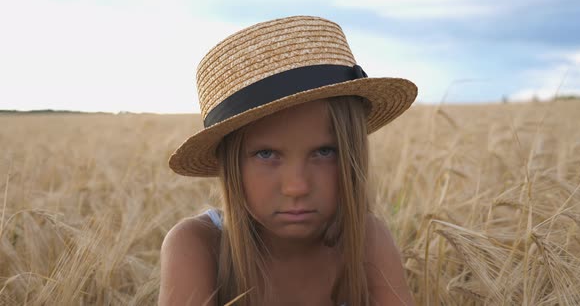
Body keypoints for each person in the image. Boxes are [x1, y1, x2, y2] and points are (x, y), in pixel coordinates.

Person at [159, 15, 417, 306]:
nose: (297, 187)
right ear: (230, 166)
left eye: (324, 152)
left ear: (353, 154)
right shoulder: (198, 245)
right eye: (266, 154)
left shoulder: (367, 241)